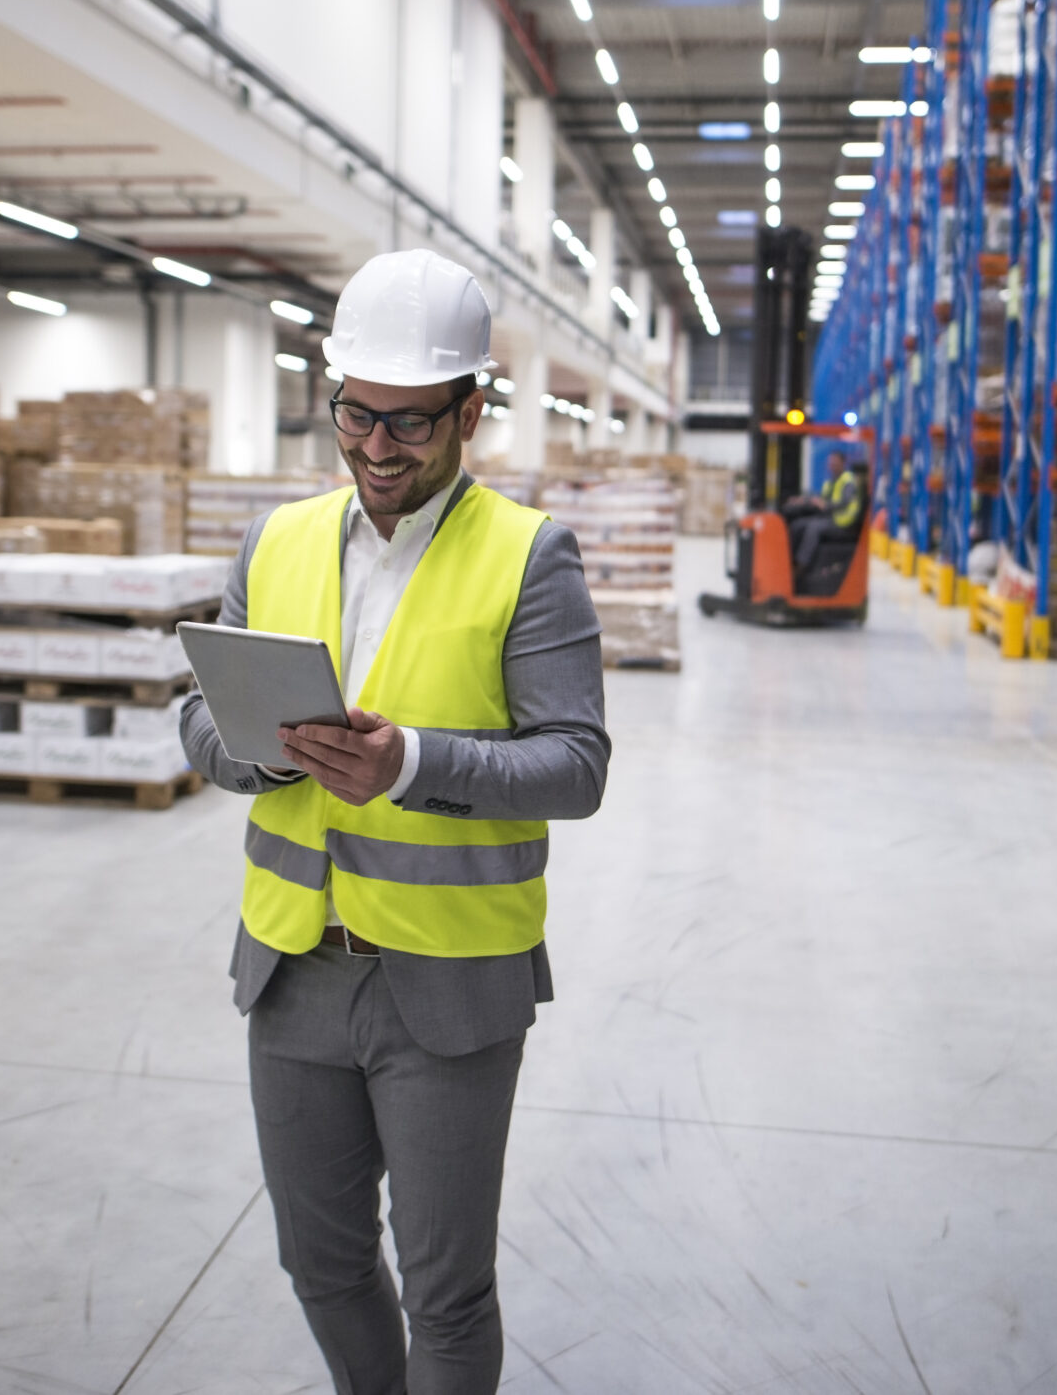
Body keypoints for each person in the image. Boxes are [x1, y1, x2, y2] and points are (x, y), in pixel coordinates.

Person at [178, 248, 609, 1394]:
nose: (377, 450)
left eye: (411, 424)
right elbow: (198, 715)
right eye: (355, 417)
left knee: (445, 1289)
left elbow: (576, 766)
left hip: (448, 987)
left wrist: (408, 762)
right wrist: (247, 751)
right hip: (292, 969)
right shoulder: (273, 542)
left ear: (471, 410)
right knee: (317, 1258)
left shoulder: (529, 557)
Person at [784, 448, 864, 580]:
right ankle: (788, 560)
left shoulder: (847, 481)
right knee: (798, 525)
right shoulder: (832, 481)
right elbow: (821, 498)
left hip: (843, 524)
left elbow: (844, 502)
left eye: (835, 463)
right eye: (830, 463)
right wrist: (802, 500)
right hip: (833, 519)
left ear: (843, 463)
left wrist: (826, 505)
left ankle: (801, 565)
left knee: (814, 528)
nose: (832, 466)